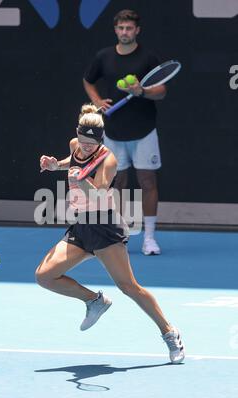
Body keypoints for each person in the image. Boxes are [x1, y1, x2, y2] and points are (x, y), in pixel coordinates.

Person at [36, 104, 185, 364]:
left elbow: (99, 191)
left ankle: (169, 332)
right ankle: (95, 301)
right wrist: (54, 165)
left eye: (90, 144)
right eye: (82, 142)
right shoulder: (76, 145)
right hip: (82, 226)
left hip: (106, 228)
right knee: (45, 276)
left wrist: (80, 179)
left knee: (129, 287)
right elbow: (70, 162)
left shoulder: (109, 160)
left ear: (100, 141)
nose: (84, 147)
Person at [83, 9, 166, 256]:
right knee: (116, 183)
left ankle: (149, 238)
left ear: (137, 30)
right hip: (114, 132)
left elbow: (161, 91)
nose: (125, 32)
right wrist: (97, 100)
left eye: (129, 28)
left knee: (147, 182)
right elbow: (88, 80)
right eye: (121, 28)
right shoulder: (104, 56)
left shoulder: (148, 58)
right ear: (116, 30)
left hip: (144, 131)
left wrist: (143, 92)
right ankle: (118, 233)